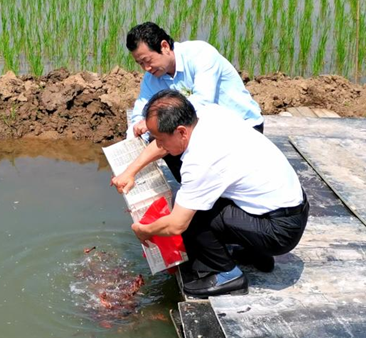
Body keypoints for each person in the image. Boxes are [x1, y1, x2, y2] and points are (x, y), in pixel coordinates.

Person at [111, 90, 309, 298]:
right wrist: (130, 171)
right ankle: (257, 254)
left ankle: (228, 274)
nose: (158, 145)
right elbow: (165, 146)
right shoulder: (208, 114)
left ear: (181, 132)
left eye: (160, 139)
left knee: (193, 215)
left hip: (280, 231)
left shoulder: (201, 161)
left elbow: (177, 224)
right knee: (205, 196)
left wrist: (145, 230)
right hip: (288, 208)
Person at [126, 22, 264, 181]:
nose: (146, 68)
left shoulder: (200, 54)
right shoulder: (152, 78)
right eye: (140, 64)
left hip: (243, 127)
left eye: (147, 60)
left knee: (168, 132)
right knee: (160, 136)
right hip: (204, 130)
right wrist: (136, 133)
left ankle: (202, 194)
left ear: (164, 46)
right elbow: (139, 114)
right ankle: (192, 189)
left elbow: (202, 103)